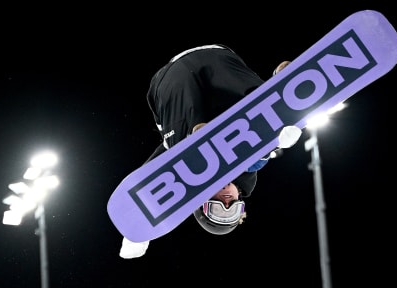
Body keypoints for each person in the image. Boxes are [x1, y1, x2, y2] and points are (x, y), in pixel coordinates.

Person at [119, 46, 299, 259]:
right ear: (240, 201)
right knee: (251, 142)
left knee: (178, 153)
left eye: (217, 208)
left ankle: (196, 135)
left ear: (201, 204)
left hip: (171, 81)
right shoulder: (249, 168)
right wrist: (276, 140)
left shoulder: (184, 177)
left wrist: (137, 231)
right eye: (232, 208)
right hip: (218, 60)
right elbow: (259, 154)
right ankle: (281, 91)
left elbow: (154, 170)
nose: (226, 201)